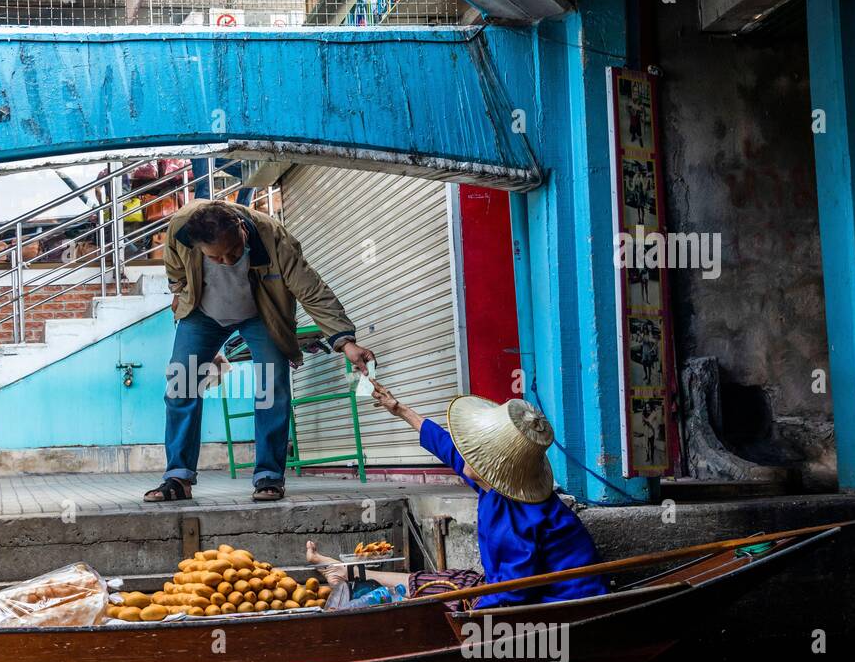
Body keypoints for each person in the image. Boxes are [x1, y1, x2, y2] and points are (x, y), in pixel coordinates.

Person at [144, 199, 374, 503]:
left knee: (271, 387)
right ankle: (178, 478)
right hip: (202, 314)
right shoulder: (180, 231)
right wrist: (184, 300)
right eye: (217, 258)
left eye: (234, 252)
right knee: (181, 387)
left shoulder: (272, 237)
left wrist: (346, 342)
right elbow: (176, 272)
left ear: (241, 229)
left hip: (260, 314)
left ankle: (269, 475)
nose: (227, 261)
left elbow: (310, 289)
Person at [331, 380, 608, 608]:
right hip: (517, 588)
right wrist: (401, 409)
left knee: (445, 598)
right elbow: (445, 446)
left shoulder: (517, 519)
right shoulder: (495, 485)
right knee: (441, 582)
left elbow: (515, 592)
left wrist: (471, 609)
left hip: (562, 602)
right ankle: (354, 576)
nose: (466, 453)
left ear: (492, 467)